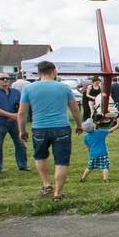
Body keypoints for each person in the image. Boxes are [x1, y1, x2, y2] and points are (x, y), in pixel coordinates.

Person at [18, 60, 83, 202]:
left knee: (40, 157)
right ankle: (58, 194)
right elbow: (75, 109)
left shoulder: (29, 89)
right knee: (61, 161)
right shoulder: (64, 88)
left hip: (39, 127)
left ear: (39, 72)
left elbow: (22, 113)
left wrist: (22, 130)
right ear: (54, 71)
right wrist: (79, 125)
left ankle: (46, 184)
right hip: (61, 127)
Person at [0, 72, 27, 174]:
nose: (5, 80)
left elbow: (21, 105)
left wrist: (16, 115)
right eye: (2, 78)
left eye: (7, 78)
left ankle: (22, 165)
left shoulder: (16, 92)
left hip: (14, 122)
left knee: (20, 144)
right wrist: (10, 115)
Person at [79, 117, 119, 183]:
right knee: (105, 167)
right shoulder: (100, 132)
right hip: (102, 154)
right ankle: (105, 179)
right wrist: (117, 124)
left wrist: (90, 152)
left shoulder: (86, 137)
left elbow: (88, 147)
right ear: (93, 127)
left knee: (89, 167)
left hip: (93, 154)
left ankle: (83, 178)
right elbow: (111, 130)